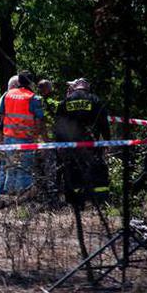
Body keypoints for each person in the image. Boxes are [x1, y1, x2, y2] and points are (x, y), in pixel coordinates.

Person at [54, 78, 111, 206]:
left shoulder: (65, 102)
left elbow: (58, 126)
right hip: (91, 144)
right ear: (87, 87)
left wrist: (58, 144)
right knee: (95, 170)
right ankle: (97, 200)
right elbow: (104, 124)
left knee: (71, 171)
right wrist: (107, 141)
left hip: (70, 145)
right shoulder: (95, 100)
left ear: (75, 87)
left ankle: (74, 201)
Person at [0, 72, 46, 194]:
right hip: (25, 139)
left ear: (19, 82)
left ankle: (9, 196)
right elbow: (40, 121)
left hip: (8, 138)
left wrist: (1, 132)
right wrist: (41, 137)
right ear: (31, 82)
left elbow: (1, 115)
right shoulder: (33, 98)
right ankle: (22, 197)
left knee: (10, 167)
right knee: (24, 168)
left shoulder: (7, 95)